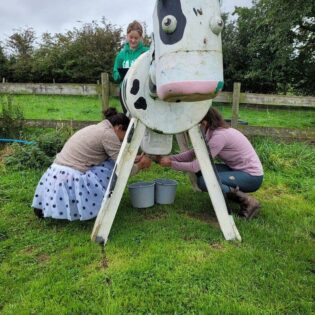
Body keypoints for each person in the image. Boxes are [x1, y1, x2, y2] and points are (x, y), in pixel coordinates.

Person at [32, 107, 151, 221]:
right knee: (109, 168)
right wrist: (140, 165)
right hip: (71, 175)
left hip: (56, 171)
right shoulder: (108, 135)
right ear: (119, 128)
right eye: (125, 135)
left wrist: (133, 159)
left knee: (108, 163)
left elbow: (118, 155)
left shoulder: (96, 128)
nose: (123, 140)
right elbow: (123, 169)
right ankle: (95, 204)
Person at [158, 107, 264, 219]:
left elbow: (195, 166)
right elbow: (192, 153)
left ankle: (249, 201)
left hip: (252, 177)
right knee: (202, 173)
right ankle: (230, 194)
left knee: (205, 182)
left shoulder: (219, 136)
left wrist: (170, 164)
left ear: (204, 122)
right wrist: (170, 158)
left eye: (198, 124)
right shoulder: (211, 131)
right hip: (237, 170)